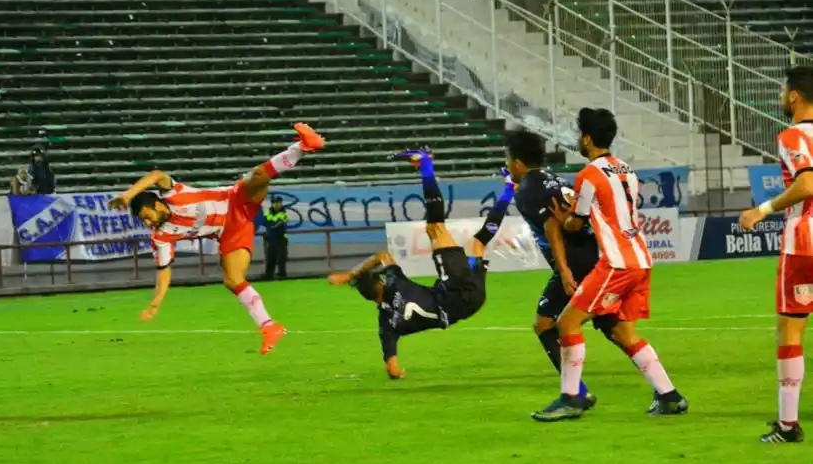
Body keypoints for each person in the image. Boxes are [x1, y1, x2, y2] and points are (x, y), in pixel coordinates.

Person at [108, 123, 324, 355]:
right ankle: (269, 327)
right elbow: (164, 270)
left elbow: (157, 175)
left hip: (235, 199)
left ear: (156, 204)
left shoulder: (173, 194)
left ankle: (302, 146)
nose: (148, 222)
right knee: (232, 280)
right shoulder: (162, 236)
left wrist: (127, 196)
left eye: (146, 216)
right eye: (144, 221)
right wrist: (155, 303)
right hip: (231, 230)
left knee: (260, 176)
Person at [531, 108, 687, 422]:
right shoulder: (627, 169)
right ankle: (669, 396)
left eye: (581, 134)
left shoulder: (588, 175)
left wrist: (563, 219)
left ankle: (570, 398)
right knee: (622, 332)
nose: (579, 139)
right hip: (641, 259)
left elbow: (577, 223)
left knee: (567, 323)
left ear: (588, 139)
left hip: (616, 263)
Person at [328, 148, 515, 379]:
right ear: (380, 283)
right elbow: (382, 256)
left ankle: (510, 189)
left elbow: (392, 368)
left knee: (478, 242)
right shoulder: (395, 283)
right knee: (435, 228)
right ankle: (425, 164)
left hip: (470, 304)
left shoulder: (386, 325)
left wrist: (396, 372)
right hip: (456, 291)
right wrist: (350, 275)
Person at [507, 131, 642, 412]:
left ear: (518, 163)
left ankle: (576, 394)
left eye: (509, 161)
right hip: (594, 255)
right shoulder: (556, 179)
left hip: (573, 262)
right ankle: (666, 390)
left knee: (546, 324)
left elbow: (552, 229)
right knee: (615, 329)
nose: (508, 167)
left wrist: (564, 271)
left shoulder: (527, 191)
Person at [739, 66, 813, 443]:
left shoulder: (792, 136)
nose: (782, 97)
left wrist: (762, 209)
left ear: (794, 96)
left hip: (804, 245)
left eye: (785, 92)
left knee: (790, 328)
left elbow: (807, 184)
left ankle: (788, 425)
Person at [263, 195, 289, 280]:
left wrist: (270, 226)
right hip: (271, 238)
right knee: (270, 257)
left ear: (281, 203)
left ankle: (282, 274)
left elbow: (274, 225)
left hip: (280, 238)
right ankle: (269, 275)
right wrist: (270, 227)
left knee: (281, 258)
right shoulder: (268, 212)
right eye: (274, 202)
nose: (276, 204)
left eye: (278, 202)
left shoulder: (284, 214)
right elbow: (265, 222)